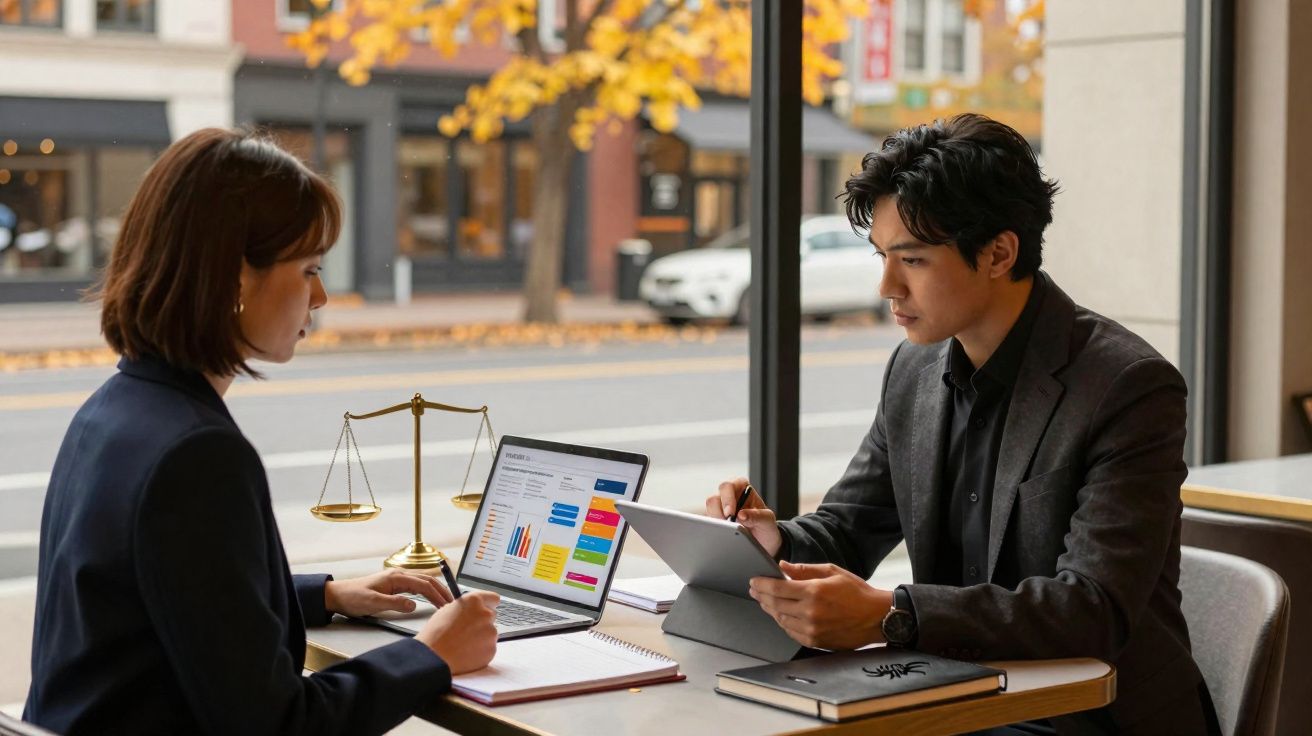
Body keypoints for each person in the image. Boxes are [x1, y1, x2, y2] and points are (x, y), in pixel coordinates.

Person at [707, 114, 1219, 735]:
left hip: (1092, 718)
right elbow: (849, 527)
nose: (886, 286)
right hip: (960, 702)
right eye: (882, 258)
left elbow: (1092, 609)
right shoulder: (915, 368)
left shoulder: (1127, 385)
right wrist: (774, 542)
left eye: (913, 260)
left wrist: (891, 616)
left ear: (999, 252)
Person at [23, 128, 500, 736]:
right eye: (309, 270)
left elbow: (164, 601)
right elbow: (277, 725)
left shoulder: (115, 410)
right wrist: (430, 654)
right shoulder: (196, 454)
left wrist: (323, 595)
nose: (321, 297)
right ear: (232, 279)